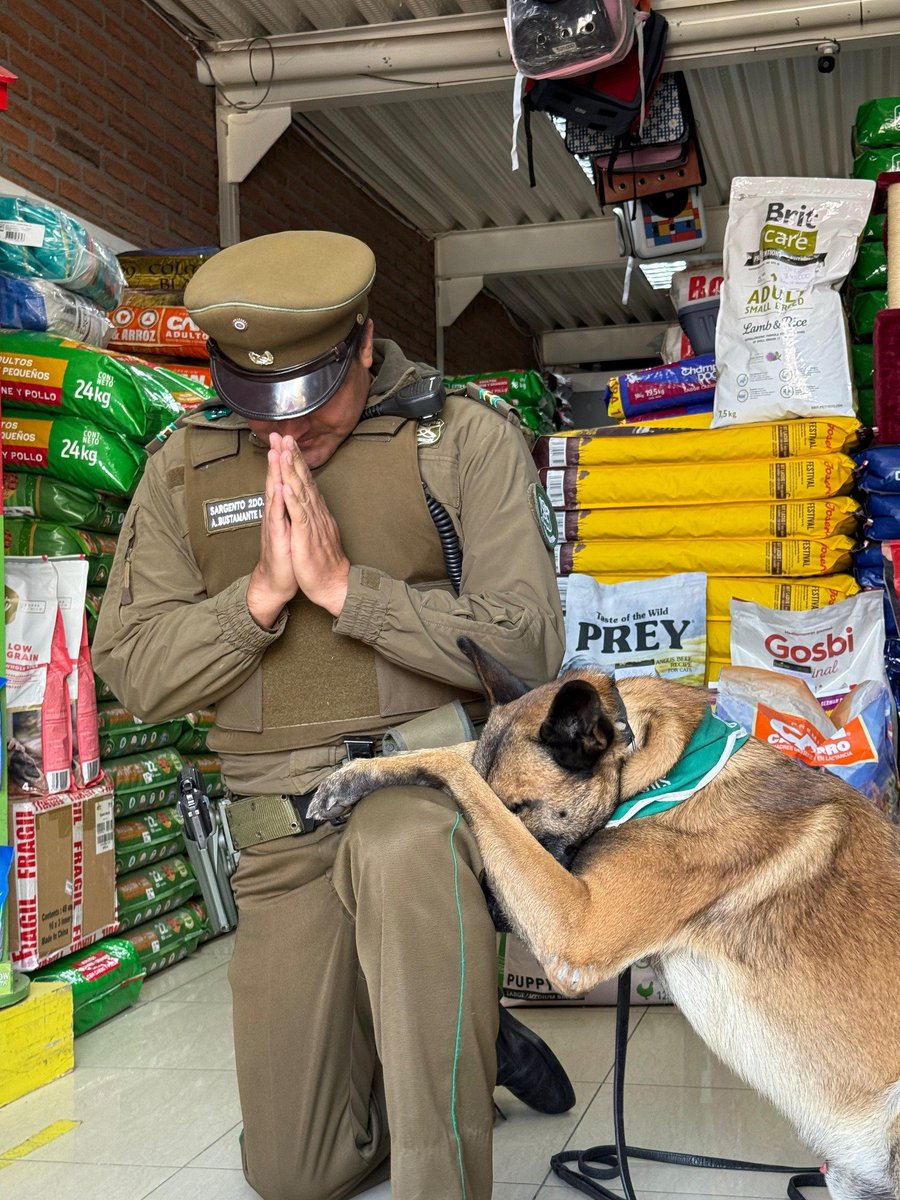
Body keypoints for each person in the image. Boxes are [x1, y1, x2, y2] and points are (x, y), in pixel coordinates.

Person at [93, 230, 571, 1200]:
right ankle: (459, 1033)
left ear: (361, 344)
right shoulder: (186, 466)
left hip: (420, 789)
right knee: (293, 1175)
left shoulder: (458, 441)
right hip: (280, 829)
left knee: (403, 853)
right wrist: (260, 601)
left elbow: (528, 647)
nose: (288, 435)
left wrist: (354, 592)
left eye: (310, 402)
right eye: (259, 405)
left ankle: (443, 1129)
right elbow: (134, 669)